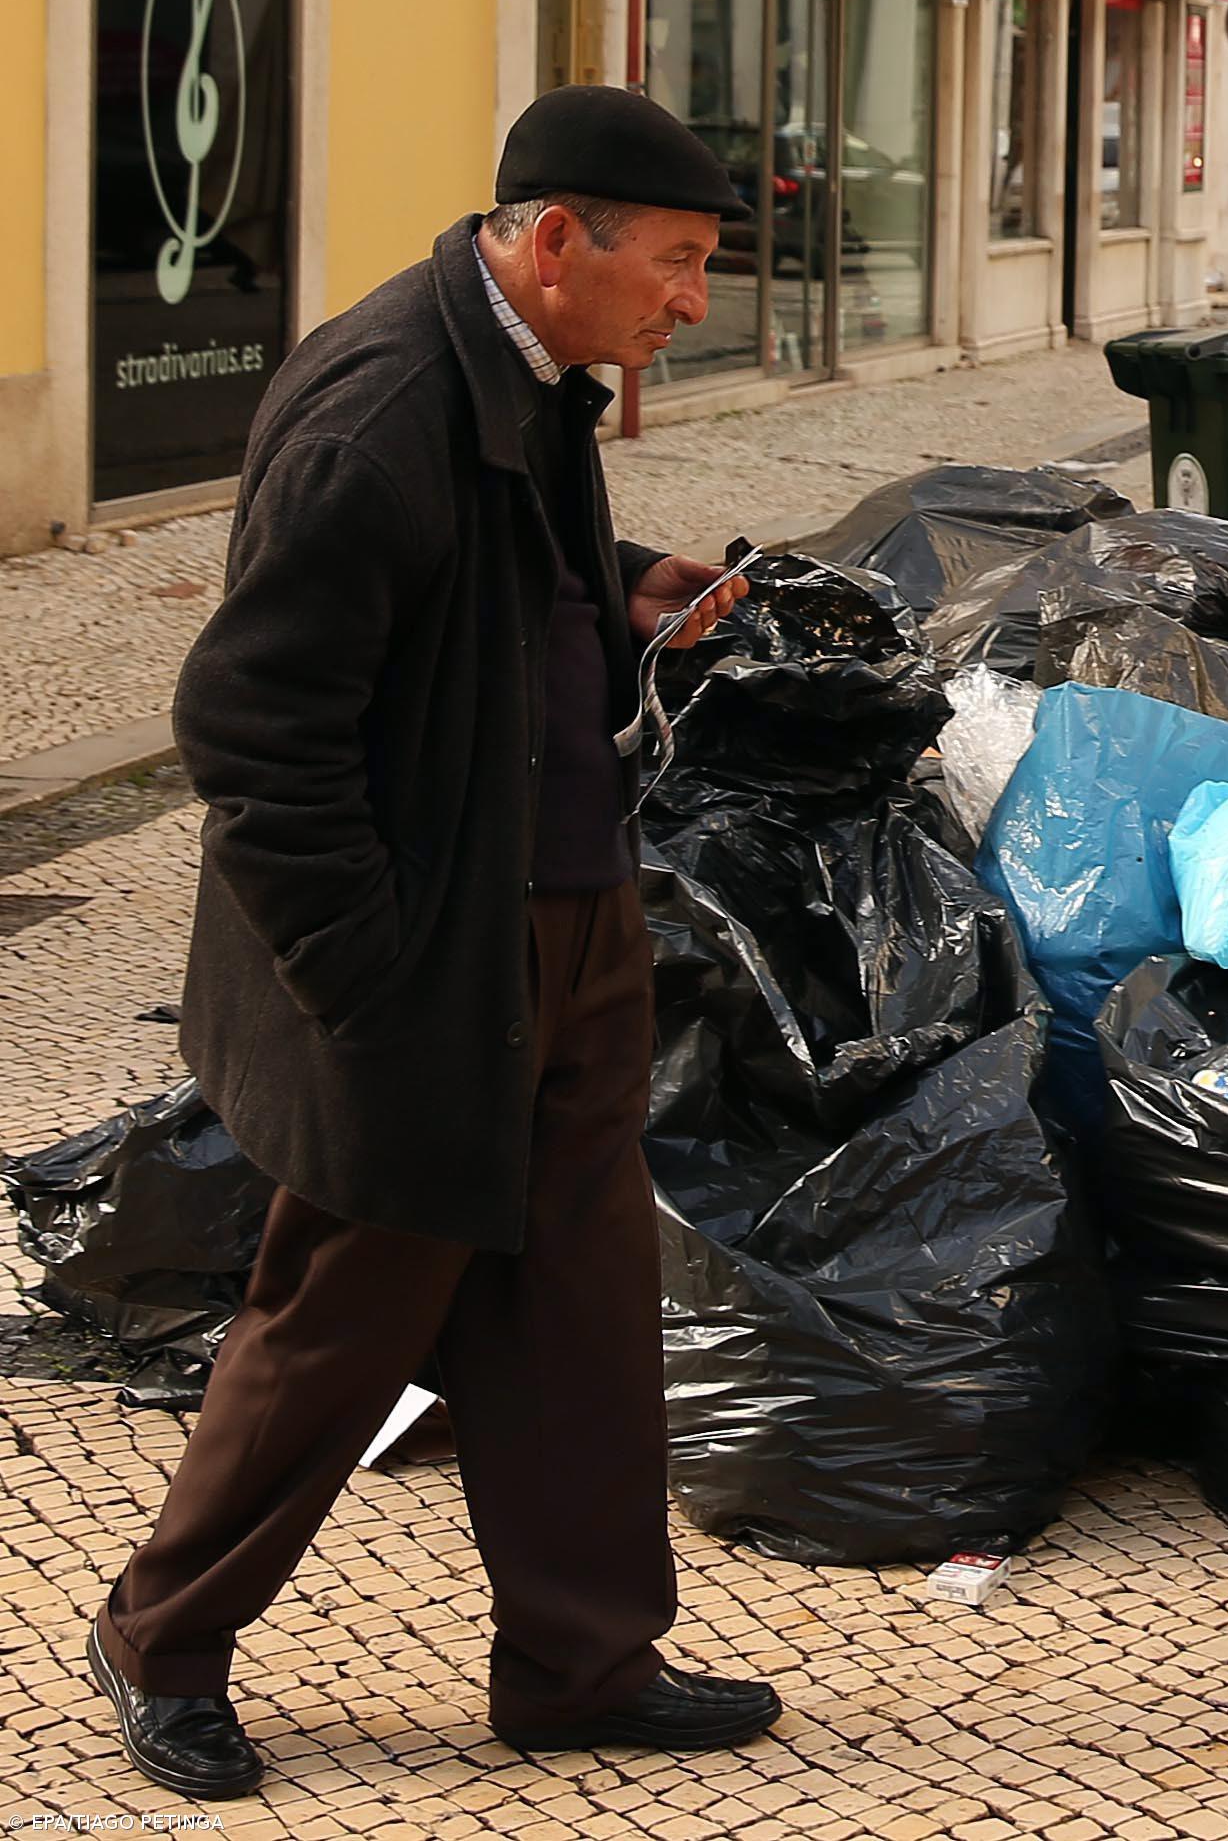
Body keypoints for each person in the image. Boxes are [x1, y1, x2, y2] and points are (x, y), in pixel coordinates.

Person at [86, 87, 779, 1800]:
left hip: (567, 912)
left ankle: (581, 1664)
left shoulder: (524, 369)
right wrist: (365, 979)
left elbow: (484, 575)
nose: (690, 301)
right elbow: (251, 727)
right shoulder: (383, 407)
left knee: (580, 1311)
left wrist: (614, 583)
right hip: (426, 961)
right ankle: (160, 1636)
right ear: (552, 242)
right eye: (673, 263)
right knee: (339, 1321)